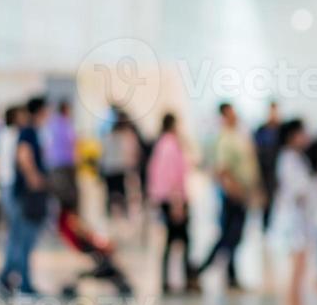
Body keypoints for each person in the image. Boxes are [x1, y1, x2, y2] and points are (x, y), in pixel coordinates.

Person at [196, 102, 259, 291]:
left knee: (234, 236)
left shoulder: (238, 136)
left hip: (242, 194)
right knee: (228, 236)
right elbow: (222, 171)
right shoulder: (224, 139)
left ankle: (231, 276)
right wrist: (235, 192)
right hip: (233, 195)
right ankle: (201, 269)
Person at [0, 97, 49, 296]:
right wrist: (34, 178)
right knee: (23, 238)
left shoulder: (26, 131)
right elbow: (24, 156)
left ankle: (7, 277)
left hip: (18, 190)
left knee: (18, 236)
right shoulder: (28, 132)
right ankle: (22, 282)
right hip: (25, 193)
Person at [272, 119, 315, 305]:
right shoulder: (288, 158)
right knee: (296, 266)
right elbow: (298, 189)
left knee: (301, 266)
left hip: (299, 217)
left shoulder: (296, 158)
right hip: (293, 218)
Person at [147, 112, 194, 294]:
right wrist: (177, 202)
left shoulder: (161, 145)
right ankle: (183, 279)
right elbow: (172, 176)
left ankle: (171, 280)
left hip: (166, 198)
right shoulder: (170, 146)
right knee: (179, 240)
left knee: (175, 240)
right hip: (173, 200)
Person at [100, 113, 141, 220]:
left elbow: (103, 154)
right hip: (120, 168)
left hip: (111, 168)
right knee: (120, 194)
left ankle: (111, 215)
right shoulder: (127, 136)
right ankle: (120, 215)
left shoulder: (109, 136)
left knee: (112, 194)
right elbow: (133, 154)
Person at [253, 102, 282, 231]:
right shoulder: (261, 130)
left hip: (278, 172)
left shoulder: (281, 130)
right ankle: (265, 231)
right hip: (265, 174)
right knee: (266, 205)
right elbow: (257, 152)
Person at [42, 99, 78, 203]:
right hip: (64, 162)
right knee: (66, 194)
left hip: (56, 162)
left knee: (60, 192)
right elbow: (73, 142)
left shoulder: (52, 123)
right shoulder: (66, 124)